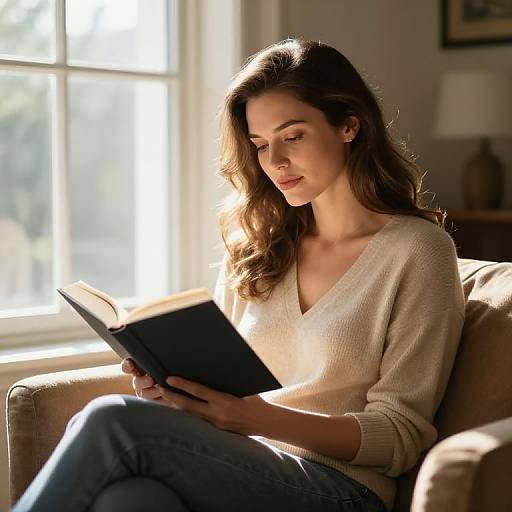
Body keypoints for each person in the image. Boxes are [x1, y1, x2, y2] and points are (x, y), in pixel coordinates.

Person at [12, 38, 465, 512]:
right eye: (261, 144)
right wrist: (175, 392)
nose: (275, 162)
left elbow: (399, 436)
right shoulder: (258, 246)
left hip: (342, 490)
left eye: (293, 136)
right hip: (241, 463)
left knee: (110, 419)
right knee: (130, 499)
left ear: (349, 125)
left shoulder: (418, 252)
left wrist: (256, 418)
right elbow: (224, 394)